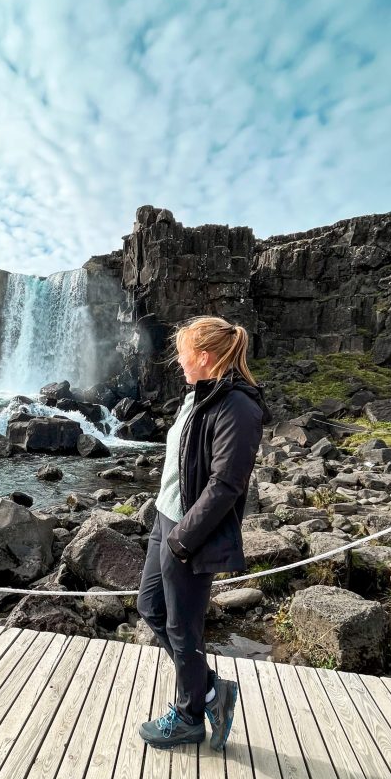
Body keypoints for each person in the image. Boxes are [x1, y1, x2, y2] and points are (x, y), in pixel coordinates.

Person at [137, 315, 272, 750]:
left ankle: (192, 713)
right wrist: (166, 523)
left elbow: (226, 485)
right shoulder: (198, 395)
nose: (178, 361)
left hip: (188, 530)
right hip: (166, 518)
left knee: (182, 625)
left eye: (182, 354)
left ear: (204, 357)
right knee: (151, 607)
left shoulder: (238, 407)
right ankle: (212, 689)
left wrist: (183, 538)